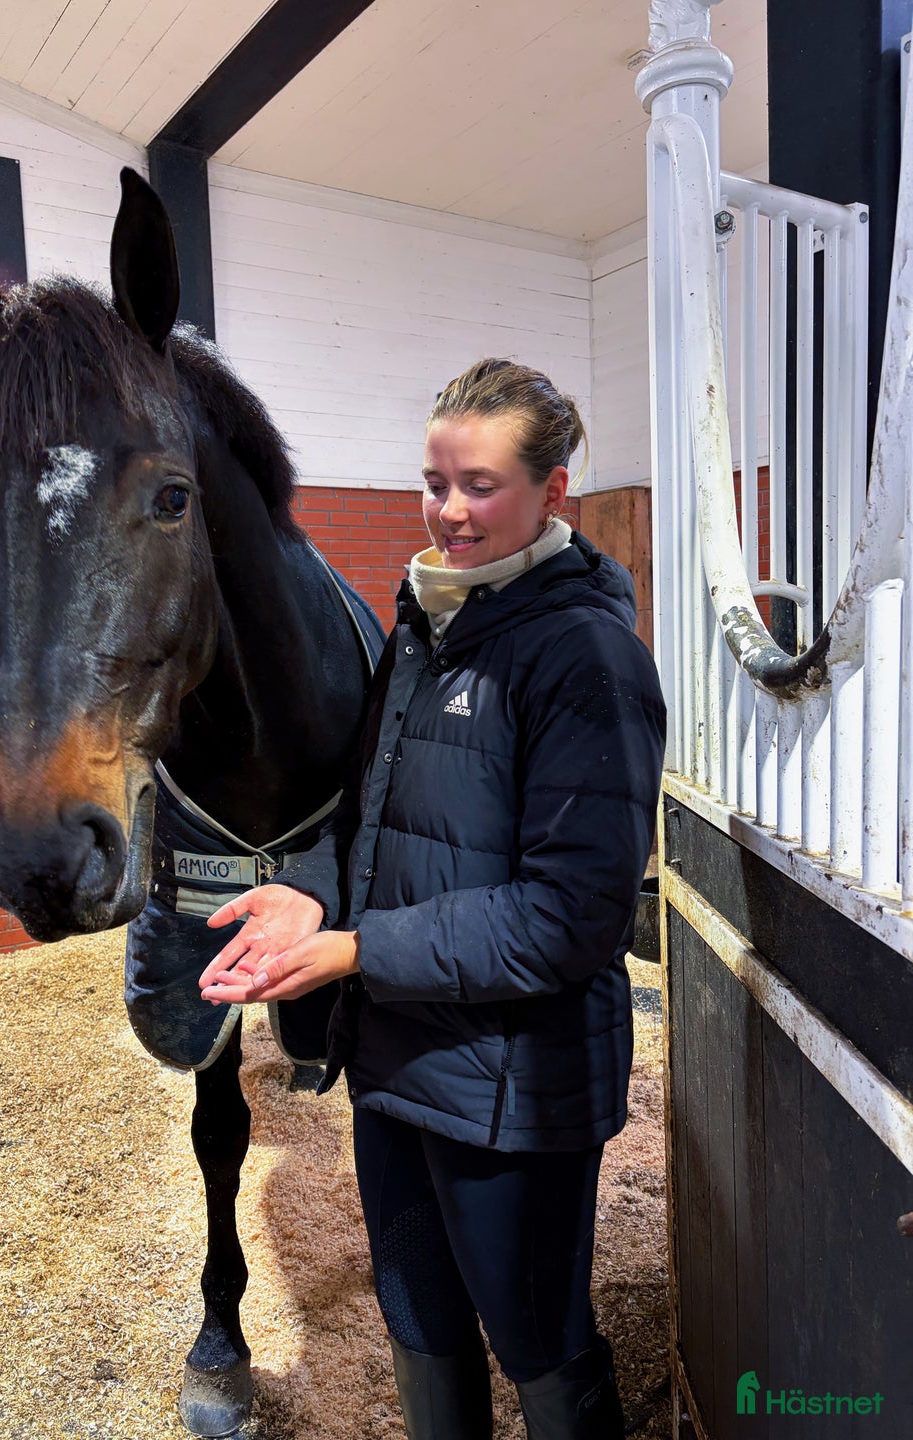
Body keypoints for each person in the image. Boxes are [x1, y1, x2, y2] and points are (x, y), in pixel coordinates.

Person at [199, 358, 666, 1440]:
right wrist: (305, 900)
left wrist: (358, 951)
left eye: (482, 485)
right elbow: (360, 816)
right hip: (399, 1066)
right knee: (418, 1323)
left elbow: (572, 917)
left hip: (517, 1089)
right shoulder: (424, 629)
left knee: (538, 1340)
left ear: (554, 493)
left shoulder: (585, 657)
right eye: (433, 481)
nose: (449, 512)